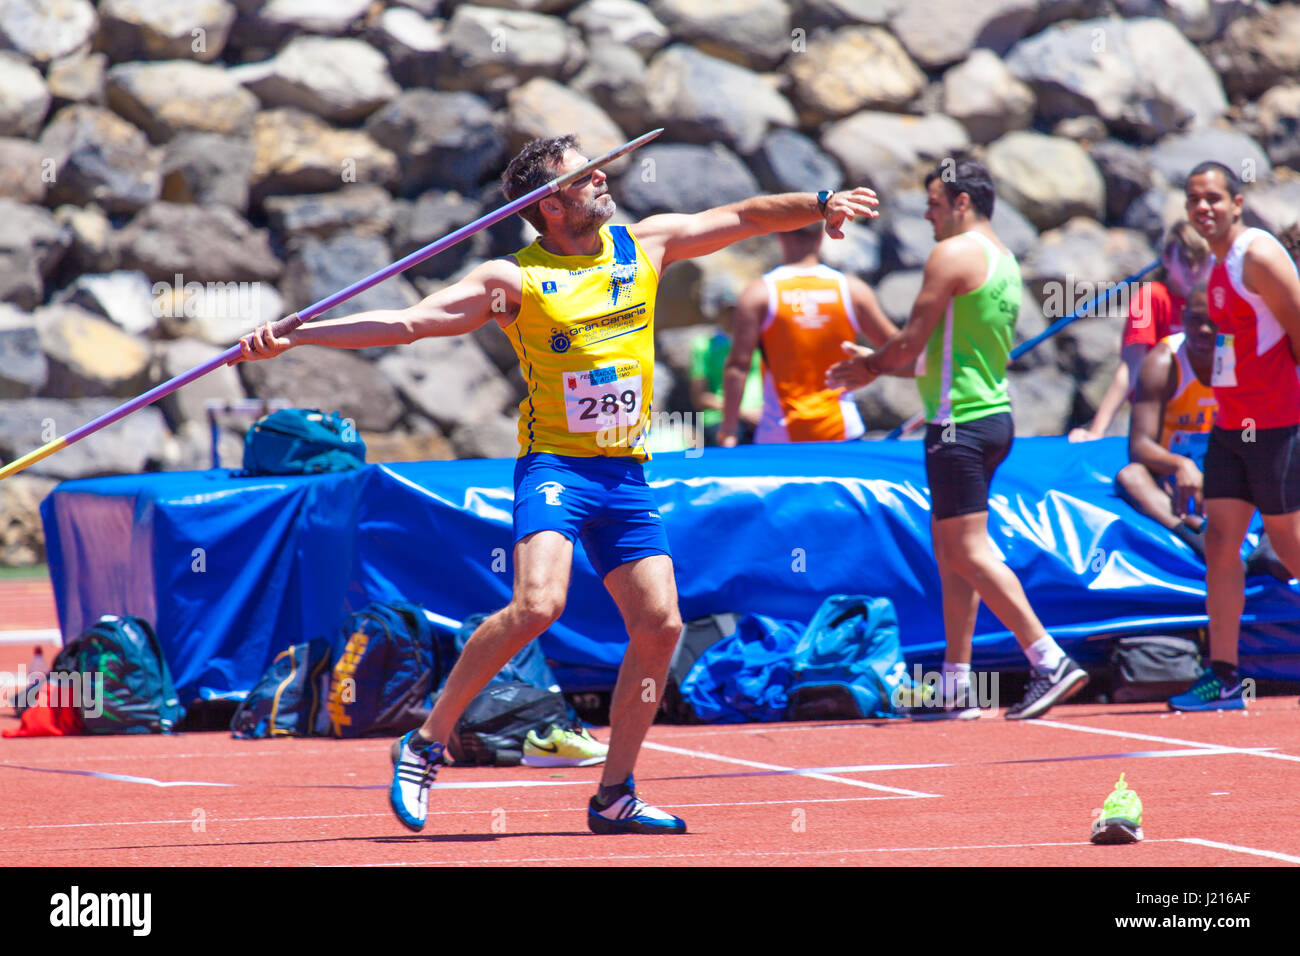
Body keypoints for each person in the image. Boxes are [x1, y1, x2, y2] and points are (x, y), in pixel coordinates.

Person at [237, 134, 879, 833]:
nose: (605, 178)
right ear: (550, 202)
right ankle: (425, 743)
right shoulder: (512, 281)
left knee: (660, 624)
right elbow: (409, 323)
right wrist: (300, 335)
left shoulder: (645, 246)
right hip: (558, 469)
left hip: (626, 475)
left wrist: (819, 204)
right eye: (586, 175)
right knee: (538, 603)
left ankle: (614, 794)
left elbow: (748, 216)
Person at [826, 158, 1088, 721]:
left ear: (962, 203)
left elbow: (908, 347)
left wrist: (870, 366)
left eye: (935, 203)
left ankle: (1048, 659)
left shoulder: (953, 254)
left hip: (958, 426)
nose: (926, 214)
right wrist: (877, 366)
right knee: (953, 553)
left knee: (966, 549)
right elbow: (931, 358)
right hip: (991, 420)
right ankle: (956, 682)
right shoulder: (1005, 261)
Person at [1170, 160, 1300, 712]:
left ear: (1237, 202)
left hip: (1274, 425)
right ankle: (1223, 675)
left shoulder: (1258, 254)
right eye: (1194, 199)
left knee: (1292, 548)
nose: (1204, 208)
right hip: (1231, 427)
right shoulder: (1216, 267)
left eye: (1214, 198)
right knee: (1222, 546)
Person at [717, 222, 896, 446]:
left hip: (779, 436)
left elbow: (738, 366)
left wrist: (729, 429)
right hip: (842, 431)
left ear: (780, 235)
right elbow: (900, 349)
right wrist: (870, 364)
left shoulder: (759, 293)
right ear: (822, 236)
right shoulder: (851, 289)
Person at [1069, 222, 1212, 442]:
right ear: (1166, 259)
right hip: (1159, 414)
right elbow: (1130, 367)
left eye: (1201, 262)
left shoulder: (1216, 299)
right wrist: (1097, 432)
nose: (1193, 271)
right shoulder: (1151, 298)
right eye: (1186, 261)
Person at [1115, 288, 1217, 558]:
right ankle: (1189, 533)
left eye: (1214, 321)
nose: (1205, 330)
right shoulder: (1163, 362)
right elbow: (1138, 446)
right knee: (1131, 476)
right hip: (1170, 478)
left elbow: (1248, 428)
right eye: (1196, 320)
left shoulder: (1232, 359)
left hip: (1220, 472)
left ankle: (1269, 545)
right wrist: (1180, 465)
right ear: (1183, 317)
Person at [689, 290, 764, 445]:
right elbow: (699, 397)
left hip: (761, 416)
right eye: (727, 312)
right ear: (717, 314)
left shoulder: (757, 342)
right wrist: (740, 412)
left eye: (735, 312)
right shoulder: (704, 346)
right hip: (720, 417)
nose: (732, 317)